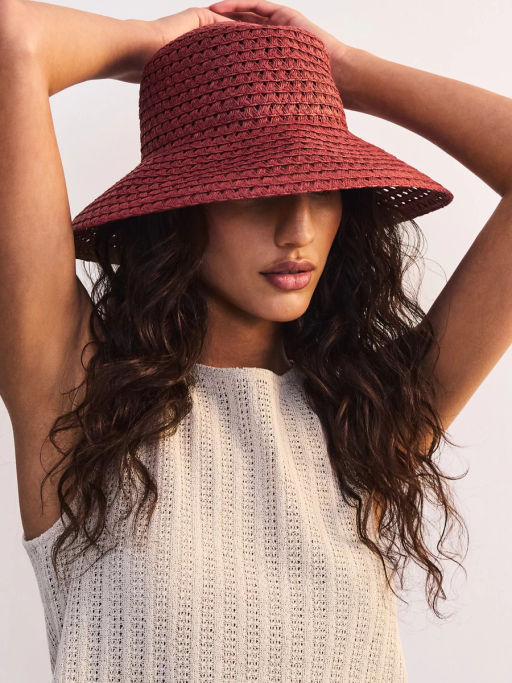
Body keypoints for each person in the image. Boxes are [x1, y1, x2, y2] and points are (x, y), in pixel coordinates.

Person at [1, 0, 511, 681]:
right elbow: (15, 39)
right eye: (254, 188)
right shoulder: (76, 394)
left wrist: (345, 72)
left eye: (322, 189)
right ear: (181, 205)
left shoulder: (367, 418)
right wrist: (151, 45)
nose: (298, 228)